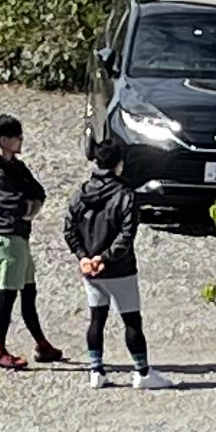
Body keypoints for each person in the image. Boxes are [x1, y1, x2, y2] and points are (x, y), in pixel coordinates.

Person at [63, 137, 159, 387]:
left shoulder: (80, 194)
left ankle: (96, 370)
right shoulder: (125, 195)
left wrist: (83, 257)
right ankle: (142, 373)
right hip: (119, 269)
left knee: (97, 318)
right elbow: (126, 235)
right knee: (131, 321)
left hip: (90, 271)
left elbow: (69, 230)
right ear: (118, 164)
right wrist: (104, 258)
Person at [0, 115, 66, 370]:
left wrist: (29, 207)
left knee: (29, 292)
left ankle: (41, 343)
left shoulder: (16, 166)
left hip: (19, 236)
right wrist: (28, 208)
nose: (21, 140)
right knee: (7, 295)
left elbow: (38, 192)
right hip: (6, 238)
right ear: (4, 140)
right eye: (17, 136)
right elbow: (7, 204)